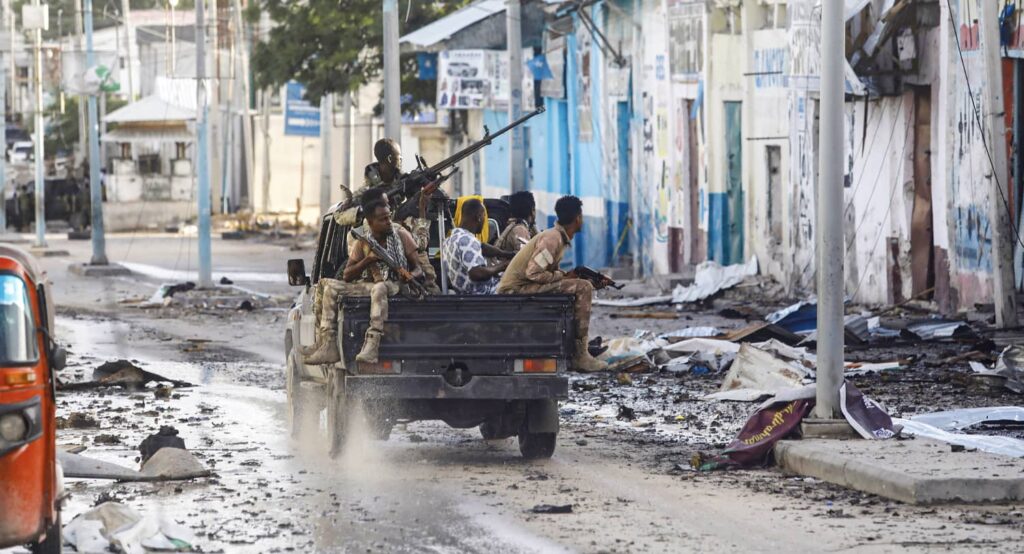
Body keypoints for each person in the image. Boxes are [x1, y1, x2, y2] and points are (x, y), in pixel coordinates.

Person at [303, 188, 422, 365]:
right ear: (371, 222)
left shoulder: (401, 234)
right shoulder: (363, 241)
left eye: (389, 217)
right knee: (329, 285)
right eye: (383, 220)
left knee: (380, 287)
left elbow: (419, 268)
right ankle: (327, 343)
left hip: (394, 284)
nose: (388, 222)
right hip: (370, 284)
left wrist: (410, 275)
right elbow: (347, 275)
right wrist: (367, 261)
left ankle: (372, 344)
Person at [497, 195, 607, 372]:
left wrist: (570, 277)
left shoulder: (557, 237)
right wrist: (562, 276)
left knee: (581, 284)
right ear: (578, 218)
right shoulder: (552, 239)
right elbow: (533, 273)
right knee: (583, 287)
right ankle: (580, 355)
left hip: (523, 286)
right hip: (515, 290)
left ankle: (573, 349)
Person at [443, 198, 509, 294]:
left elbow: (482, 247)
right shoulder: (468, 241)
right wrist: (502, 266)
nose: (484, 220)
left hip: (465, 292)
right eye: (484, 216)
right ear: (478, 216)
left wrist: (507, 254)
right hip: (487, 293)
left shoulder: (452, 239)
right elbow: (476, 273)